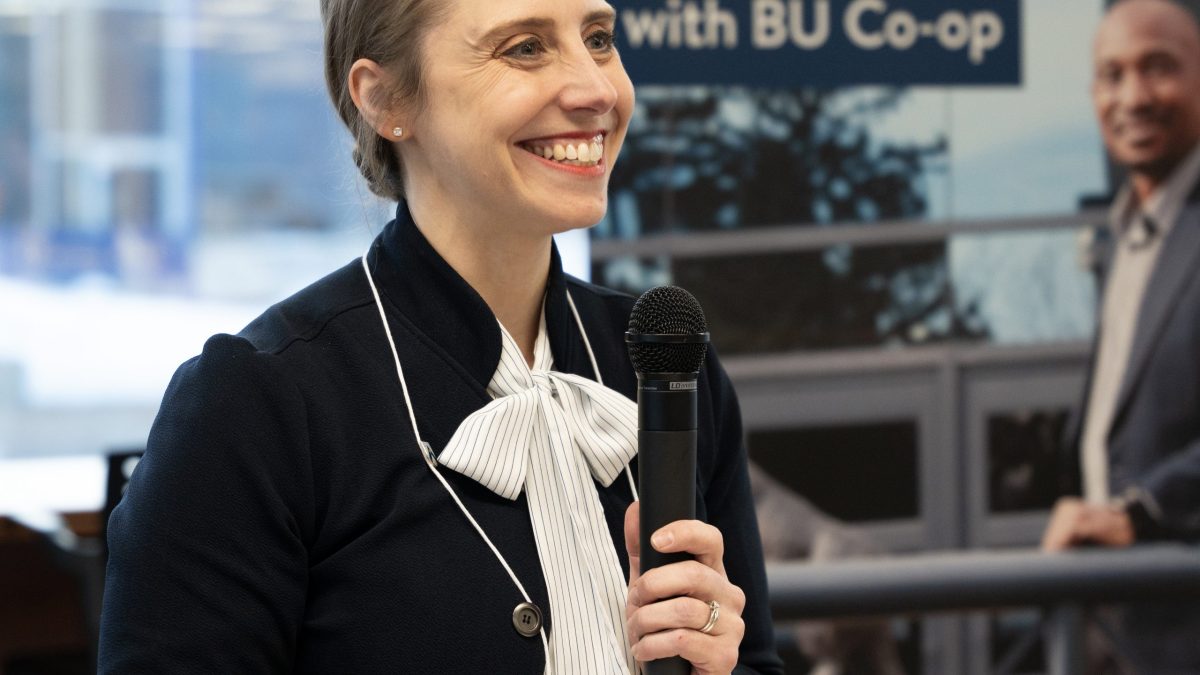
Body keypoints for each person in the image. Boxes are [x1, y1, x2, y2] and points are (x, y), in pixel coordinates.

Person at [97, 0, 783, 673]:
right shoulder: (258, 402)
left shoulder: (663, 358)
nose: (598, 89)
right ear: (385, 98)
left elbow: (756, 661)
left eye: (599, 38)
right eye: (525, 47)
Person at [1041, 0, 1200, 670]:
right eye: (1112, 74)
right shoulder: (1127, 238)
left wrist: (1142, 511)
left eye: (1158, 68)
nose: (1132, 96)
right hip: (1126, 632)